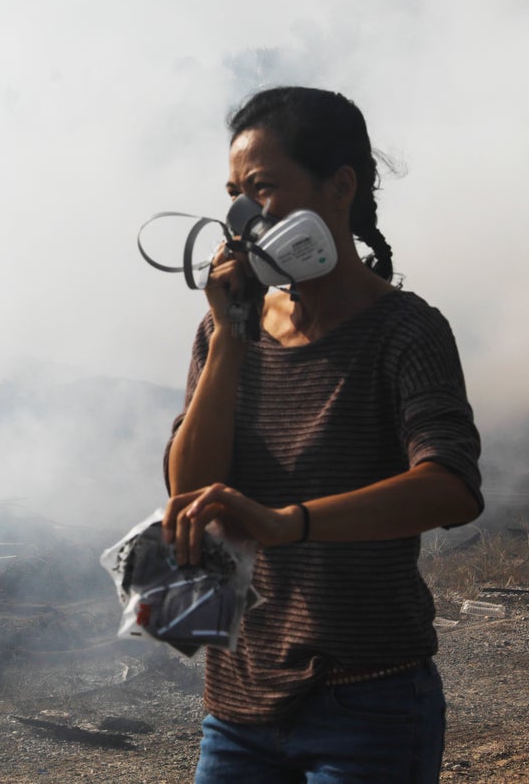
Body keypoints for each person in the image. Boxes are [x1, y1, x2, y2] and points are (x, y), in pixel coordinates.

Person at [161, 86, 483, 783]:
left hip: (369, 700)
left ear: (340, 186)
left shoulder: (406, 331)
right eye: (235, 195)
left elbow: (451, 485)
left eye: (265, 188)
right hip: (238, 703)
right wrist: (228, 340)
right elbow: (187, 488)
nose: (244, 217)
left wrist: (290, 522)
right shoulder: (227, 330)